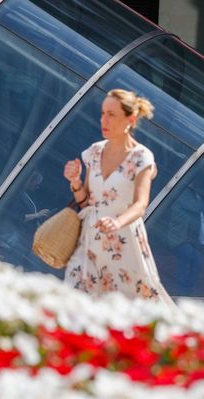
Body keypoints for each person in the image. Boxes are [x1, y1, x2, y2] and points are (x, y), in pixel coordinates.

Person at [62, 89, 172, 305]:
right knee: (74, 300)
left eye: (111, 114)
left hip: (123, 243)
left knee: (131, 308)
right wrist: (75, 181)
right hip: (89, 241)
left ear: (130, 119)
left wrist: (117, 222)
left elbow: (141, 204)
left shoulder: (141, 157)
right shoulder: (93, 152)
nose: (104, 120)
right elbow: (85, 201)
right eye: (103, 113)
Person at [166, 182, 204, 295]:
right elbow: (197, 207)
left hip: (185, 240)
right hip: (178, 239)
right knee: (195, 262)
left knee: (185, 265)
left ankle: (183, 292)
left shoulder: (192, 195)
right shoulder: (185, 195)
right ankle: (183, 292)